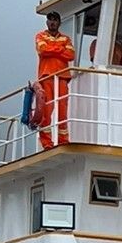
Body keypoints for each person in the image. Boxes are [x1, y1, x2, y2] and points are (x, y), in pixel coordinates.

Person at [35, 11, 75, 148]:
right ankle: (46, 142)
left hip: (63, 76)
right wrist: (59, 49)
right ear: (47, 22)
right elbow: (42, 50)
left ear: (59, 22)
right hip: (47, 76)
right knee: (47, 108)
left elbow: (71, 55)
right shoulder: (40, 35)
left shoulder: (66, 39)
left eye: (55, 20)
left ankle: (63, 139)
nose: (52, 22)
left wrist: (52, 49)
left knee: (62, 109)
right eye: (50, 19)